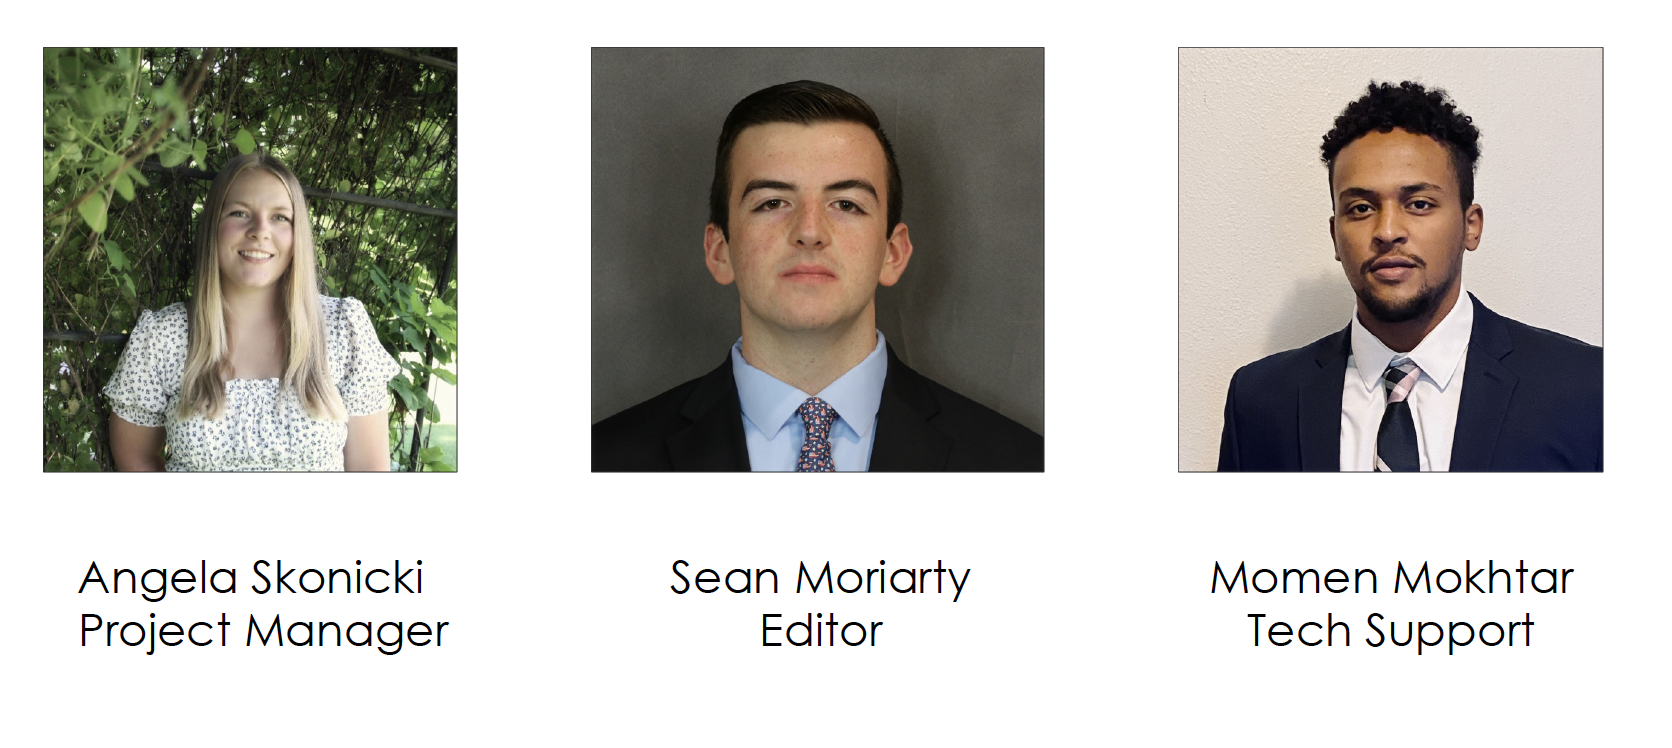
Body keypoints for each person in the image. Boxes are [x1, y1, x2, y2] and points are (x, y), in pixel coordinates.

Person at [592, 80, 1043, 471]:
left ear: (893, 253)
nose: (809, 231)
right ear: (720, 250)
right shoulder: (601, 463)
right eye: (772, 202)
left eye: (846, 204)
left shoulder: (1020, 465)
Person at [1217, 81, 1602, 472]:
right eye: (1362, 208)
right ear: (1336, 236)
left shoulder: (1586, 387)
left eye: (1419, 204)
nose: (1386, 231)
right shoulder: (1260, 401)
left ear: (1471, 226)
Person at [105, 153, 401, 471]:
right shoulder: (164, 336)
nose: (260, 230)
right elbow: (136, 459)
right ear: (212, 227)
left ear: (297, 234)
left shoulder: (343, 329)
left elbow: (369, 468)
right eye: (240, 213)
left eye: (279, 217)